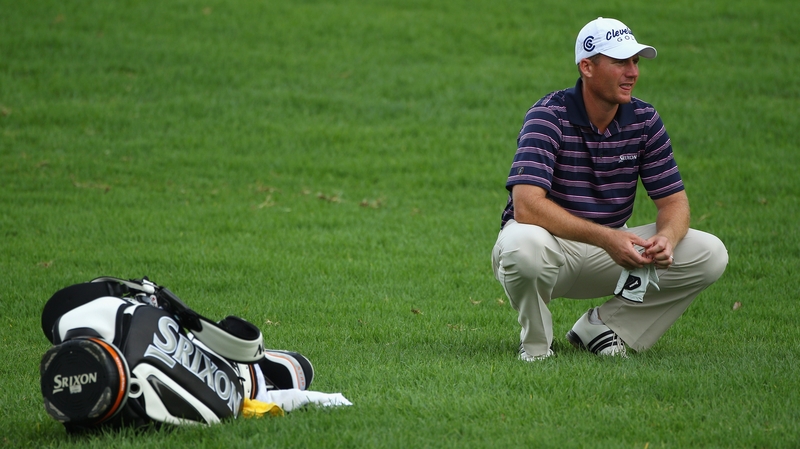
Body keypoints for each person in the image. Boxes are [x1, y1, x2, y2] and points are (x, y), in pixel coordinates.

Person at [491, 17, 728, 361]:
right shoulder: (548, 115)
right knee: (521, 246)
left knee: (710, 253)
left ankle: (602, 327)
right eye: (620, 62)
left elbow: (674, 204)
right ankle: (536, 349)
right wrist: (608, 238)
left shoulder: (645, 119)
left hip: (611, 249)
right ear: (587, 67)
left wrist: (667, 238)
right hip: (550, 247)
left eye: (635, 61)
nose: (633, 72)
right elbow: (526, 206)